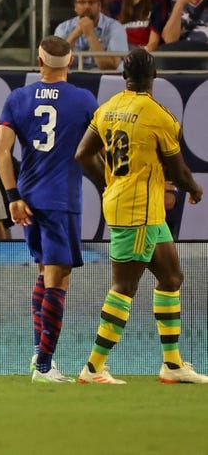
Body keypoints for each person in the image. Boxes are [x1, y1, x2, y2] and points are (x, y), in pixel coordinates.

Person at [74, 48, 208, 385]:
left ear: (123, 76)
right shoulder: (157, 115)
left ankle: (173, 365)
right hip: (137, 211)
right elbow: (176, 170)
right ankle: (93, 368)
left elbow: (82, 154)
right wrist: (193, 186)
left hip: (141, 209)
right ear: (155, 76)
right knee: (124, 287)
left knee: (172, 278)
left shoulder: (108, 108)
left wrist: (108, 181)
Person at [0, 35, 97, 383]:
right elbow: (98, 150)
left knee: (43, 273)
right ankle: (44, 365)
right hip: (62, 198)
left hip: (29, 196)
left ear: (38, 62)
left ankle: (40, 355)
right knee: (58, 277)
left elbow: (1, 152)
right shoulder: (83, 100)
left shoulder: (17, 98)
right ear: (69, 63)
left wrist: (12, 196)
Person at [54, 0, 128, 70]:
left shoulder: (115, 27)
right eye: (82, 2)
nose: (87, 6)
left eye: (91, 2)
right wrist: (74, 34)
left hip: (103, 81)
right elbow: (56, 63)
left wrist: (90, 35)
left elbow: (112, 68)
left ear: (99, 5)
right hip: (71, 79)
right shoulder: (63, 28)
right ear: (75, 7)